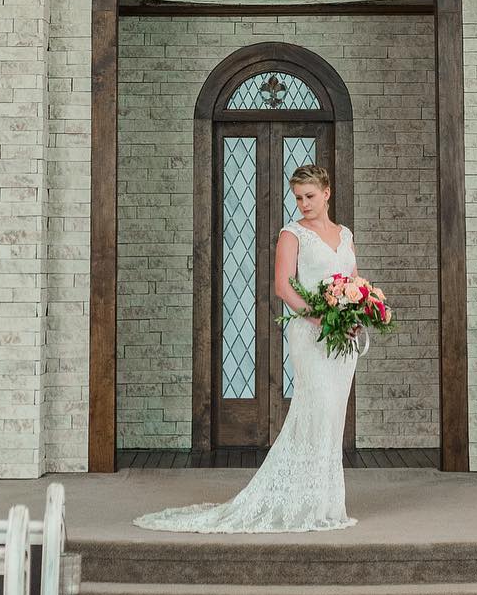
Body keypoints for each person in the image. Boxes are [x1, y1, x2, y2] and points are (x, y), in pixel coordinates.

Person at [135, 163, 360, 533]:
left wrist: (355, 311)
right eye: (298, 197)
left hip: (344, 340)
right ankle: (303, 501)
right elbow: (284, 287)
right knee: (315, 409)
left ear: (327, 193)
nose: (303, 204)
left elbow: (353, 281)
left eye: (310, 196)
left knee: (333, 417)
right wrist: (319, 317)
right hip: (312, 333)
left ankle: (325, 501)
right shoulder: (293, 235)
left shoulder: (345, 234)